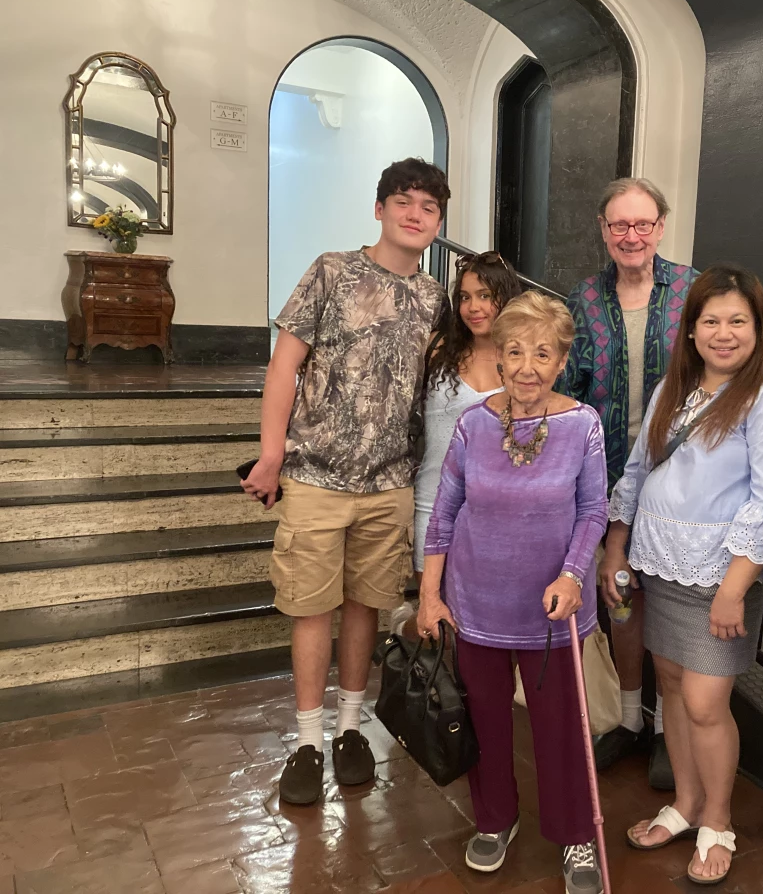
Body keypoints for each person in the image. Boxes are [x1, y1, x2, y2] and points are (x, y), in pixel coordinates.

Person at [240, 158, 449, 806]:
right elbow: (284, 368)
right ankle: (307, 740)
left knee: (367, 607)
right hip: (317, 477)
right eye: (404, 202)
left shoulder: (435, 298)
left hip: (391, 485)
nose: (415, 215)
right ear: (381, 208)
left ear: (439, 223)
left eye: (429, 208)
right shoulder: (332, 271)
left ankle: (351, 730)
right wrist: (270, 453)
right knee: (311, 609)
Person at [608, 264, 763, 886]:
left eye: (737, 322)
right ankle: (687, 803)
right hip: (659, 564)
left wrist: (733, 589)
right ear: (691, 330)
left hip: (719, 576)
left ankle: (718, 818)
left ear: (759, 329)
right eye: (711, 321)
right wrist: (616, 546)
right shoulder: (677, 386)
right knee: (670, 685)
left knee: (704, 702)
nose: (724, 334)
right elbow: (639, 470)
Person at [417, 291, 609, 894]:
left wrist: (574, 575)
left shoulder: (582, 425)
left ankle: (577, 833)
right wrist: (430, 593)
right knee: (484, 721)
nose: (528, 367)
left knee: (561, 730)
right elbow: (444, 511)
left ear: (561, 361)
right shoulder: (473, 423)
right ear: (499, 356)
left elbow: (593, 510)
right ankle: (496, 819)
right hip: (476, 604)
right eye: (516, 351)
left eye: (543, 354)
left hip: (554, 609)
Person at [559, 177, 700, 788]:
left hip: (684, 480)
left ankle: (670, 729)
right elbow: (571, 385)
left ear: (661, 226)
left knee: (668, 601)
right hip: (609, 476)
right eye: (619, 225)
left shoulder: (695, 291)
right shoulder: (585, 298)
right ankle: (629, 721)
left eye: (642, 224)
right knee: (620, 598)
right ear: (604, 229)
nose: (631, 236)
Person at [410, 251, 521, 592]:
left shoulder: (524, 359)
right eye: (465, 297)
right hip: (432, 502)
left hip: (496, 511)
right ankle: (406, 625)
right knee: (436, 613)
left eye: (486, 296)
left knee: (483, 616)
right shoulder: (437, 350)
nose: (474, 307)